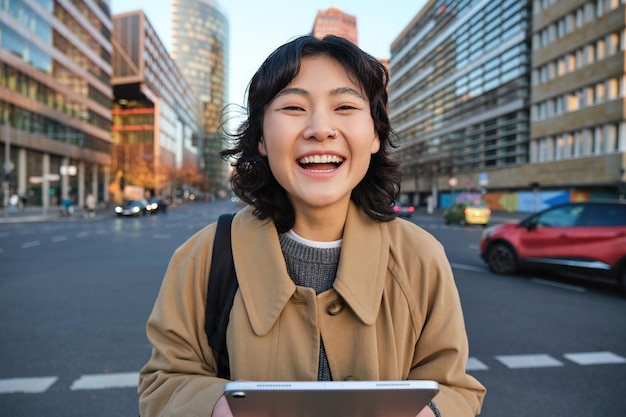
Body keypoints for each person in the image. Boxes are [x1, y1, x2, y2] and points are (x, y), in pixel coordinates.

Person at [138, 35, 486, 417]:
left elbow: (454, 386)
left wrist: (433, 412)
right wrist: (216, 407)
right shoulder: (203, 257)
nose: (321, 128)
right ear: (260, 140)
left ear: (375, 135)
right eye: (293, 107)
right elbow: (163, 382)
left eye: (345, 106)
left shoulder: (421, 256)